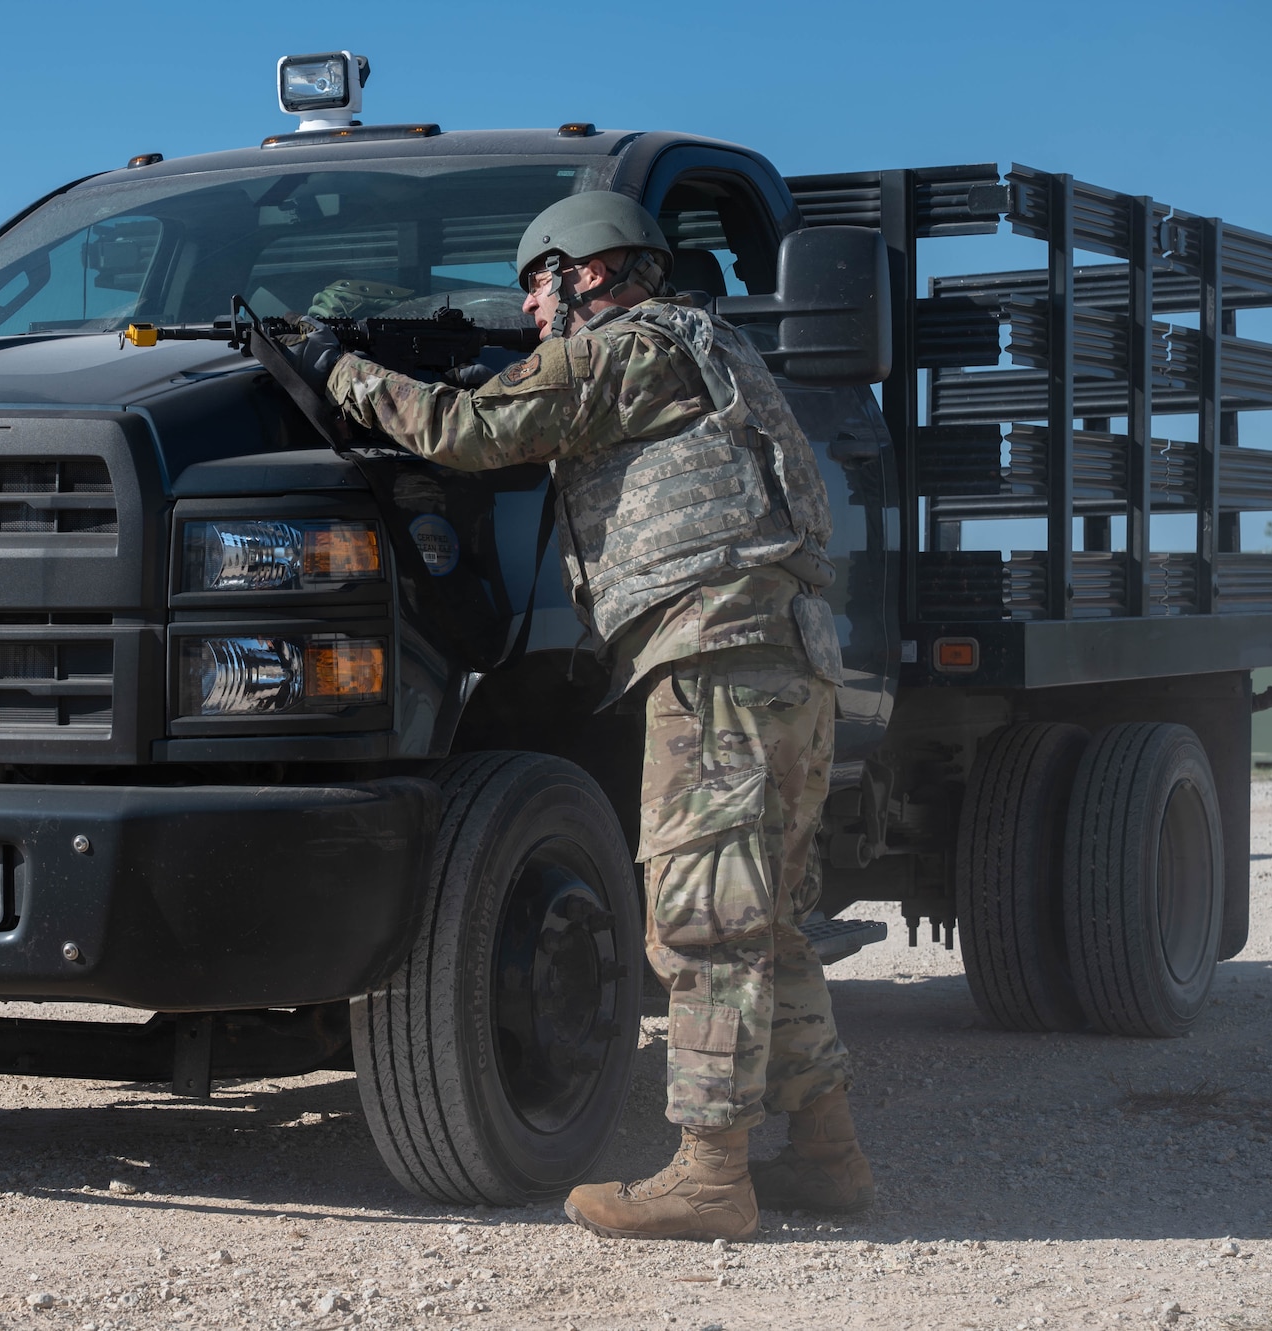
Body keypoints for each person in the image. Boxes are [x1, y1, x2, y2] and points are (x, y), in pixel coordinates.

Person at [286, 191, 875, 1241]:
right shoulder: (706, 344)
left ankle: (709, 1174)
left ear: (584, 273)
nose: (526, 308)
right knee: (768, 921)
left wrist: (337, 369)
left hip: (714, 664)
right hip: (786, 660)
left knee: (701, 920)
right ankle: (826, 1154)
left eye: (535, 284)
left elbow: (466, 431)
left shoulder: (620, 350)